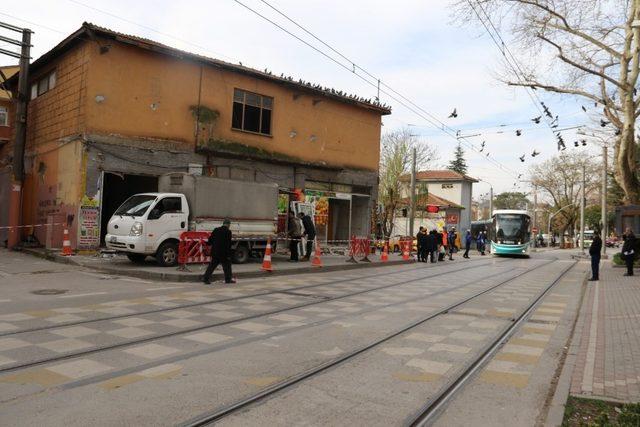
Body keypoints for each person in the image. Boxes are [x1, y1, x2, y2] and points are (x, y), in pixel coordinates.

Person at [203, 218, 235, 285]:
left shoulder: (216, 230)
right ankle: (228, 279)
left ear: (223, 223)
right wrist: (228, 254)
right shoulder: (228, 232)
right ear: (229, 225)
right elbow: (228, 244)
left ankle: (205, 278)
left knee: (212, 266)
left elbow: (210, 241)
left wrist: (209, 244)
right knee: (227, 266)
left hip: (215, 252)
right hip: (223, 253)